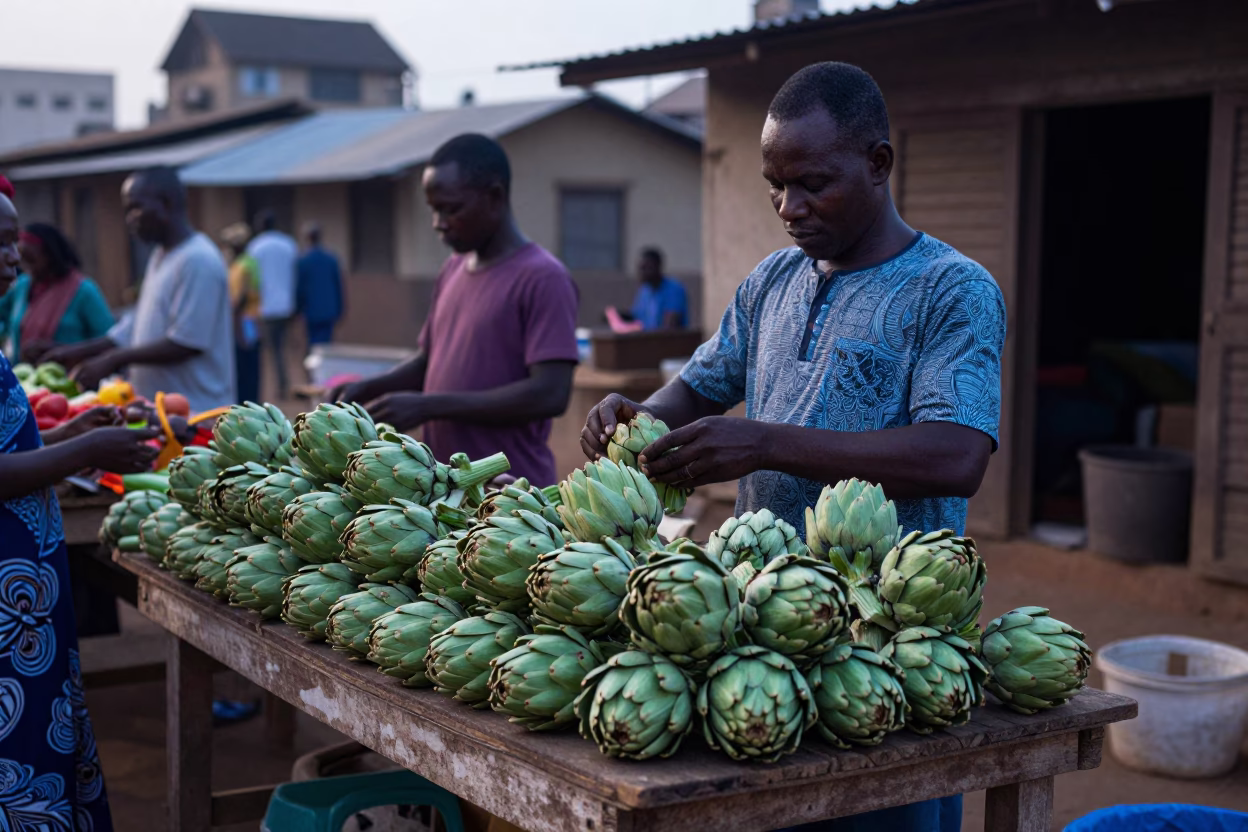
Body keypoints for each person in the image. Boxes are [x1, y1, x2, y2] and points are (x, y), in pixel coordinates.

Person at [581, 62, 1005, 832]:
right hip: (756, 629)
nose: (789, 207)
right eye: (774, 186)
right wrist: (635, 414)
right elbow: (699, 390)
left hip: (888, 646)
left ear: (878, 163)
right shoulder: (772, 280)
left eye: (812, 183)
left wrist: (768, 443)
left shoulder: (952, 289)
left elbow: (956, 454)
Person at [0, 175, 164, 832]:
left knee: (44, 731)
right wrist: (82, 456)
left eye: (15, 242)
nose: (13, 257)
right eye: (0, 243)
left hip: (24, 603)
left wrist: (73, 431)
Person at [333, 133, 578, 486]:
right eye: (434, 210)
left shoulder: (543, 277)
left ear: (494, 197)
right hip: (447, 489)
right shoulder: (453, 269)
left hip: (513, 496)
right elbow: (427, 363)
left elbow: (550, 393)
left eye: (451, 208)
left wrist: (429, 405)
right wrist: (369, 388)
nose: (438, 222)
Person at [41, 166, 236, 414]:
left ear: (164, 204)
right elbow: (138, 324)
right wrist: (76, 352)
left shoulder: (198, 259)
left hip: (196, 414)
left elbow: (186, 342)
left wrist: (115, 359)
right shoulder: (161, 255)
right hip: (162, 413)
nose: (130, 219)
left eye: (135, 208)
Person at [0, 223, 115, 363]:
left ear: (51, 255)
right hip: (25, 378)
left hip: (70, 380)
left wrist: (61, 350)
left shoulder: (83, 290)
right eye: (23, 261)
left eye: (32, 260)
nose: (27, 267)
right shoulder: (21, 287)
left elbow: (111, 340)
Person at [248, 210, 298, 398]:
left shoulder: (255, 247)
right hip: (286, 305)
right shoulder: (288, 244)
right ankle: (286, 383)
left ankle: (280, 387)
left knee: (272, 349)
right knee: (282, 347)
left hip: (266, 307)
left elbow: (253, 279)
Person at [221, 222, 262, 404]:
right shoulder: (244, 263)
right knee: (247, 367)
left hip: (244, 322)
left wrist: (235, 324)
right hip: (248, 320)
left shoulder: (243, 265)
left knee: (246, 367)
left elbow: (241, 298)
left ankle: (248, 405)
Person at [605, 247, 689, 333]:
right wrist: (617, 315)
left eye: (646, 268)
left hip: (668, 343)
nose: (641, 272)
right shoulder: (644, 291)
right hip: (646, 342)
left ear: (658, 266)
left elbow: (670, 326)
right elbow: (637, 318)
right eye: (640, 268)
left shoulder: (673, 289)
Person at [295, 222, 345, 349]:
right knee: (326, 343)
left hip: (312, 310)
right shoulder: (331, 258)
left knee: (314, 344)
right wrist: (340, 308)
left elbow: (300, 288)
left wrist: (298, 309)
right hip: (329, 309)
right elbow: (338, 285)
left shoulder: (304, 260)